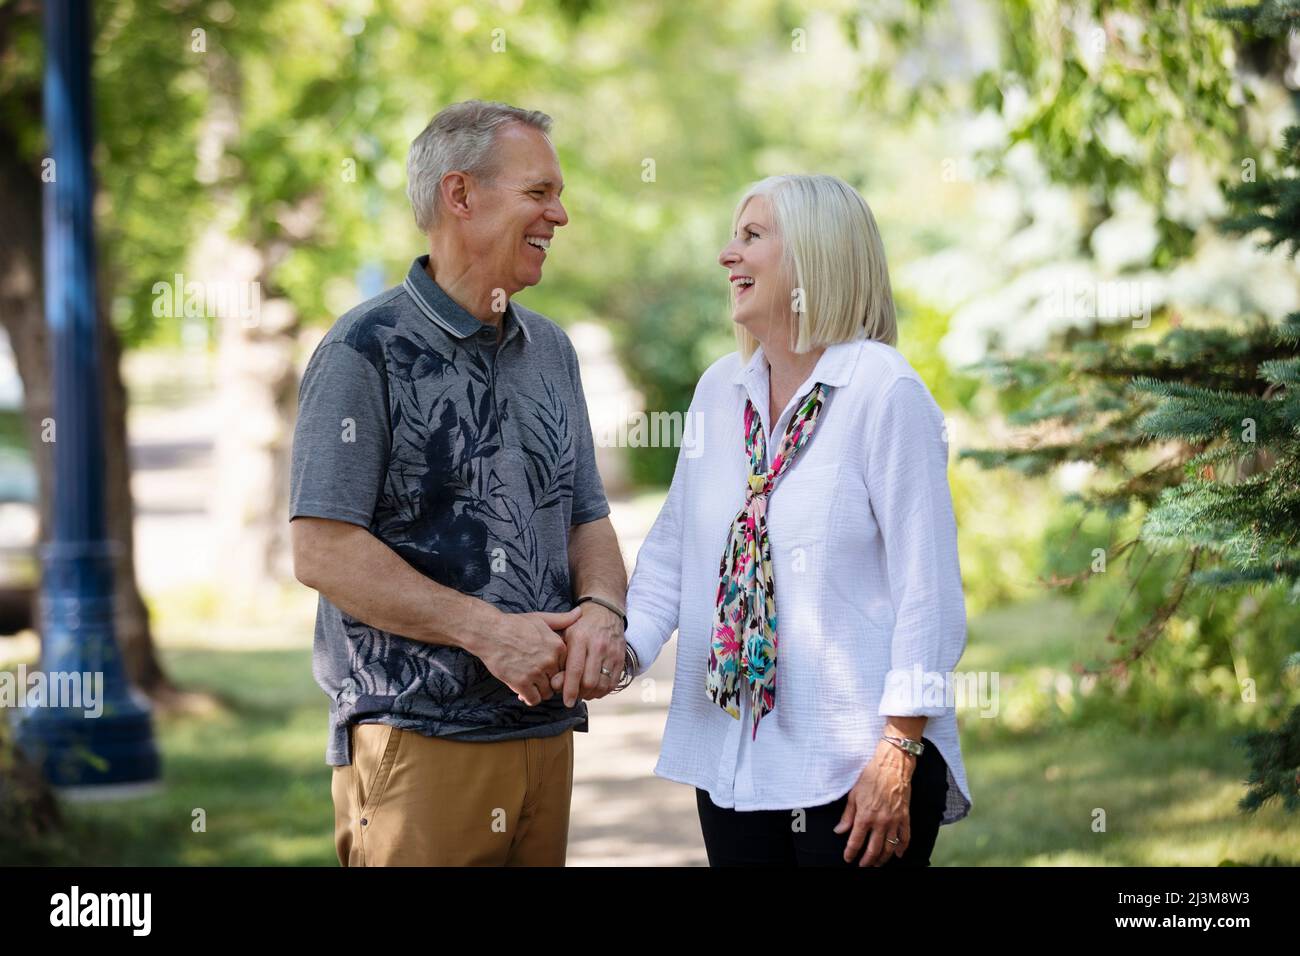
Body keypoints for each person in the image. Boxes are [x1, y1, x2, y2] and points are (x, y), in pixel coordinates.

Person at [289, 100, 629, 867]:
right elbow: (322, 550)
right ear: (461, 194)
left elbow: (586, 515)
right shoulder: (361, 350)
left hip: (546, 736)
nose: (561, 215)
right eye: (538, 192)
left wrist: (604, 609)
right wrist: (487, 632)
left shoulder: (553, 351)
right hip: (418, 741)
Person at [624, 173, 973, 866]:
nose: (728, 255)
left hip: (856, 772)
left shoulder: (883, 390)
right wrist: (621, 648)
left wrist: (898, 749)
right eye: (733, 236)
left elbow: (926, 594)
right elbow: (674, 553)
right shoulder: (719, 391)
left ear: (816, 259)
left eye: (752, 237)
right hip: (731, 769)